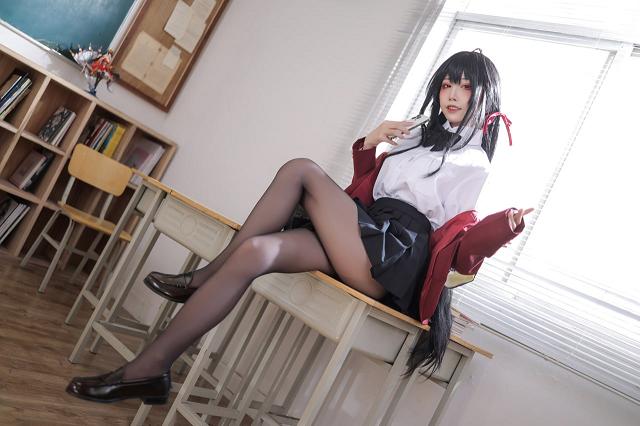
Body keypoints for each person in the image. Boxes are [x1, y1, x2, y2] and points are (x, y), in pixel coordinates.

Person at [66, 49, 532, 405]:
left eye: (466, 87)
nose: (453, 93)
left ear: (484, 97)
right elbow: (367, 190)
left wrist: (502, 229)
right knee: (256, 253)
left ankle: (204, 277)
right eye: (448, 84)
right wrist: (372, 140)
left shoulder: (474, 162)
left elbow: (457, 246)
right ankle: (150, 370)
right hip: (367, 230)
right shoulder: (416, 136)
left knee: (301, 170)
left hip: (394, 256)